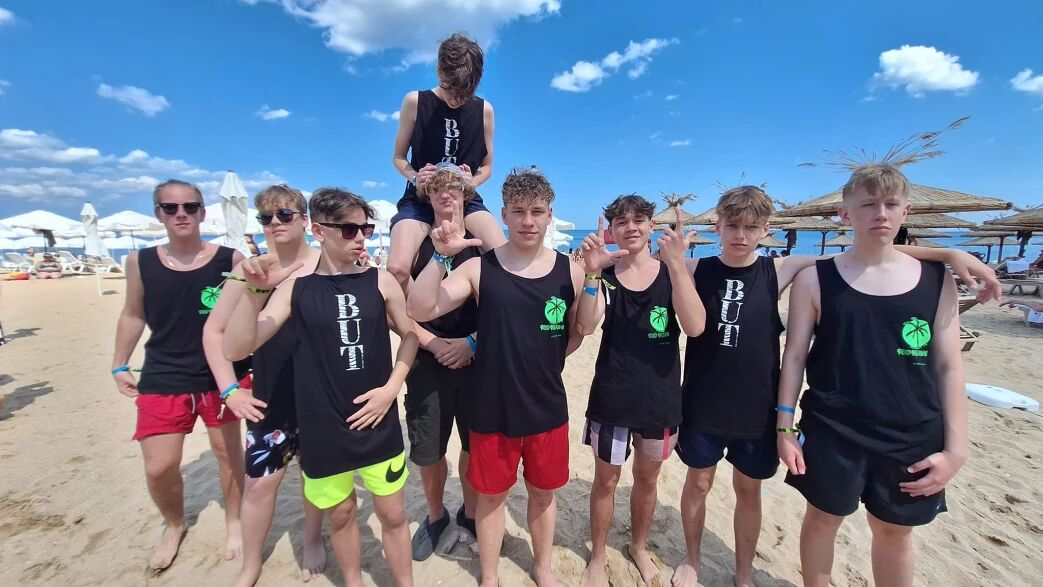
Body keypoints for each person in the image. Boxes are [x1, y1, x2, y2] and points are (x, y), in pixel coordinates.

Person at [671, 185, 1002, 587]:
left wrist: (948, 253)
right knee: (698, 483)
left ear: (766, 230)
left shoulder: (781, 269)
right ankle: (692, 559)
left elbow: (866, 253)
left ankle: (743, 572)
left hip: (757, 404)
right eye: (733, 226)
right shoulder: (695, 268)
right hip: (702, 400)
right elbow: (646, 264)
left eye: (751, 227)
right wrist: (670, 258)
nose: (741, 235)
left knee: (748, 489)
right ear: (718, 226)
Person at [777, 164, 968, 587]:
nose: (880, 213)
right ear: (846, 214)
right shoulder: (815, 279)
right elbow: (794, 357)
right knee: (822, 519)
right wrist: (785, 427)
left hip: (912, 431)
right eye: (868, 204)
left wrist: (957, 449)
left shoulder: (936, 280)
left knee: (894, 532)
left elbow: (949, 366)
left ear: (906, 212)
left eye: (890, 204)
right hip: (832, 427)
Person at [223, 188, 418, 586]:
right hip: (322, 426)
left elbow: (410, 336)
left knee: (393, 514)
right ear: (319, 231)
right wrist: (254, 293)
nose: (360, 237)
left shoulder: (380, 281)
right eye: (348, 230)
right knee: (341, 513)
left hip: (378, 421)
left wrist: (391, 388)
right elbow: (238, 346)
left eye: (365, 228)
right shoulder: (296, 286)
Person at [407, 168, 585, 587]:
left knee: (543, 494)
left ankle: (542, 567)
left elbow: (577, 332)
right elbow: (419, 308)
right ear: (503, 215)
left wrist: (539, 360)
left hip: (546, 407)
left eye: (537, 211)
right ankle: (489, 576)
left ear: (549, 215)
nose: (528, 221)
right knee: (490, 497)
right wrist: (440, 257)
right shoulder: (479, 269)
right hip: (492, 408)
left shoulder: (571, 271)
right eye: (518, 211)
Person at [111, 179, 249, 573]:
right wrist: (120, 363)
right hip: (164, 372)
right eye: (170, 208)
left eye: (190, 206)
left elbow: (248, 314)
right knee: (159, 464)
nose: (181, 214)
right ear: (159, 214)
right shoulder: (140, 261)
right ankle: (174, 524)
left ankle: (234, 521)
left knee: (228, 454)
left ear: (203, 212)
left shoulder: (231, 259)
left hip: (220, 373)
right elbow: (133, 314)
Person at [575, 198, 706, 587]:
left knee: (647, 480)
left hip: (659, 399)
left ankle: (638, 546)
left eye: (639, 220)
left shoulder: (671, 271)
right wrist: (592, 274)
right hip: (612, 396)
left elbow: (695, 326)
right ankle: (599, 554)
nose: (630, 227)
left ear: (651, 226)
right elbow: (585, 326)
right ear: (612, 230)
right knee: (606, 481)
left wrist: (677, 264)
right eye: (621, 221)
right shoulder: (605, 274)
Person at [202, 185, 325, 586]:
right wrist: (229, 390)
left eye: (284, 215)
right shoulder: (248, 270)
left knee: (314, 478)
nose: (275, 223)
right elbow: (214, 332)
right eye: (266, 217)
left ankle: (312, 540)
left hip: (319, 393)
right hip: (270, 392)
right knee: (259, 484)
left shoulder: (325, 263)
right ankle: (251, 563)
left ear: (304, 220)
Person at [404, 164, 490, 560]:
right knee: (429, 450)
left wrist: (472, 342)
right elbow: (398, 309)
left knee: (473, 444)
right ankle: (436, 515)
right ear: (428, 196)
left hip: (477, 358)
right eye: (437, 187)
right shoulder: (413, 242)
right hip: (427, 358)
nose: (445, 193)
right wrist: (436, 344)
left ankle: (470, 513)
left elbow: (503, 303)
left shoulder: (481, 243)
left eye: (454, 187)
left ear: (465, 194)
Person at [388, 33, 506, 294]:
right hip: (419, 198)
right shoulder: (415, 102)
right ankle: (416, 318)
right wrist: (416, 177)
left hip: (466, 199)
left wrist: (471, 181)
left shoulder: (484, 110)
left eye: (464, 93)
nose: (456, 99)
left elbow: (487, 167)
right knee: (396, 268)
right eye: (451, 90)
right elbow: (398, 158)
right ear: (439, 71)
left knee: (504, 258)